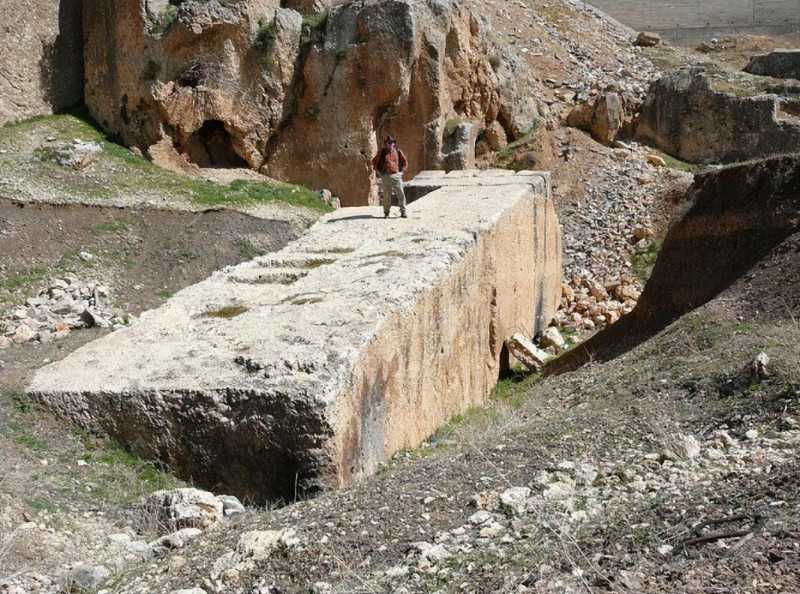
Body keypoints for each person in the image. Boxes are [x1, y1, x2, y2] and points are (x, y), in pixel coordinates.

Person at [372, 135, 408, 218]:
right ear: (386, 144)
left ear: (394, 144)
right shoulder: (382, 152)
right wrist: (379, 172)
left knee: (401, 193)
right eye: (388, 143)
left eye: (391, 142)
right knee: (387, 195)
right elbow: (374, 161)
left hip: (396, 176)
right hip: (386, 176)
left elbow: (405, 162)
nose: (390, 144)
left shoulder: (398, 152)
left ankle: (403, 211)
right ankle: (386, 213)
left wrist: (401, 172)